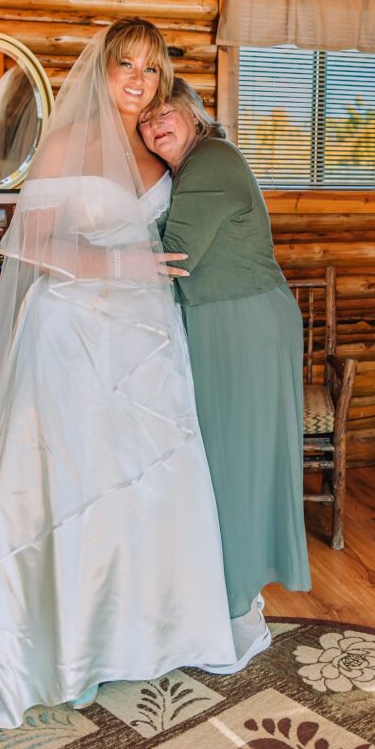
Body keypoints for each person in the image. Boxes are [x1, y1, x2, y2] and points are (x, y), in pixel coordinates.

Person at [0, 20, 236, 729]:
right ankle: (67, 651)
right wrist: (118, 264)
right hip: (70, 334)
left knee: (152, 482)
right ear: (98, 71)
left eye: (152, 70)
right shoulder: (66, 143)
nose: (137, 80)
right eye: (124, 65)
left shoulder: (158, 148)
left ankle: (152, 633)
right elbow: (29, 244)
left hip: (148, 339)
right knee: (73, 484)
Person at [139, 77, 311, 670]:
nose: (155, 123)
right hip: (224, 322)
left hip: (242, 326)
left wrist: (91, 242)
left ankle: (239, 614)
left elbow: (174, 255)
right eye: (144, 119)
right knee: (223, 463)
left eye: (166, 111)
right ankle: (234, 598)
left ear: (192, 111)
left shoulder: (210, 161)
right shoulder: (190, 169)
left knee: (234, 466)